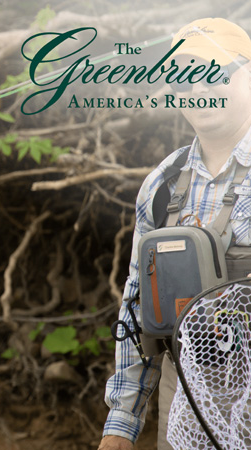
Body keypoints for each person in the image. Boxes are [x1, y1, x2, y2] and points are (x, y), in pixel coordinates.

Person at [99, 18, 251, 450]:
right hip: (183, 399)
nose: (199, 88)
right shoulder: (161, 183)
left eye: (215, 72)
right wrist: (121, 425)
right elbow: (135, 303)